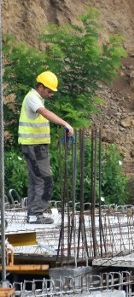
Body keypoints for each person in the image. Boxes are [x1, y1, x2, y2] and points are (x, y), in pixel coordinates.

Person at [19, 71, 74, 224]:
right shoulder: (32, 98)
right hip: (33, 146)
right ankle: (36, 214)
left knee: (35, 180)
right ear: (41, 87)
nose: (51, 94)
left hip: (35, 146)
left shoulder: (36, 99)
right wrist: (65, 124)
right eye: (49, 91)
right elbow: (45, 113)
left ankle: (33, 214)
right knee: (44, 180)